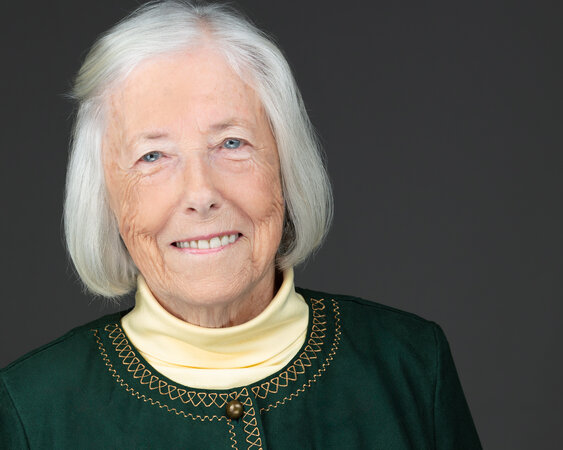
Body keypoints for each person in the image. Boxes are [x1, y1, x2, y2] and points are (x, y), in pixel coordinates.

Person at [0, 1, 481, 448]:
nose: (201, 194)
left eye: (231, 143)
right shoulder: (30, 410)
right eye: (153, 155)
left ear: (285, 165)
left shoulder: (412, 364)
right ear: (103, 194)